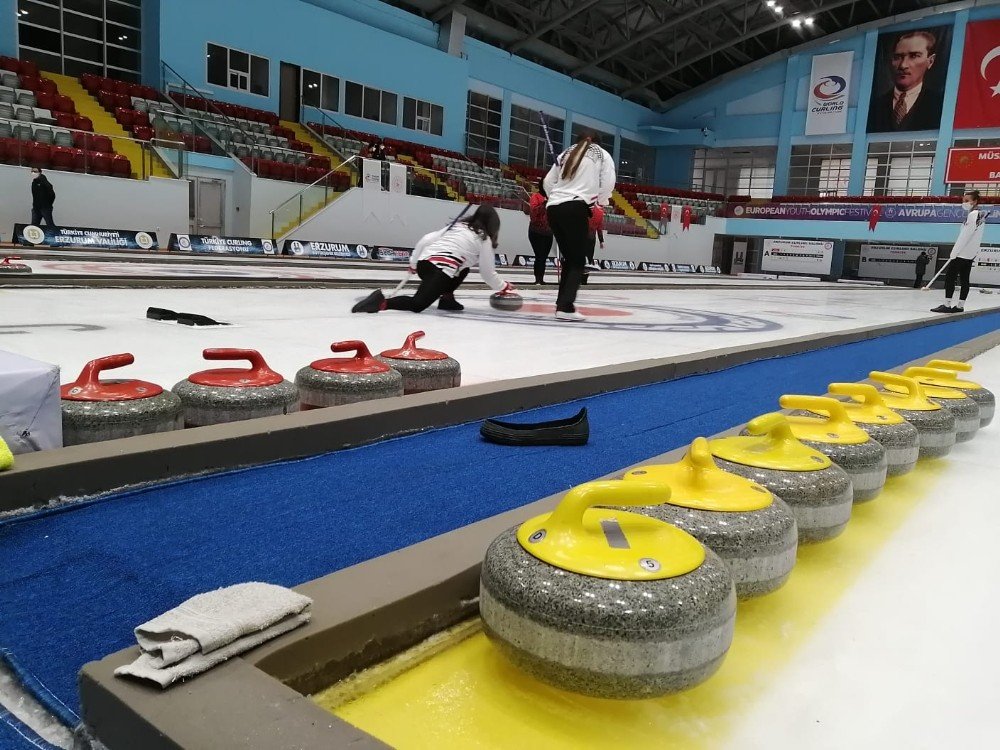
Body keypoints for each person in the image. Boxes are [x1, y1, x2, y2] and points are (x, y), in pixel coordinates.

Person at [351, 205, 516, 314]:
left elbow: (426, 239)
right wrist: (504, 286)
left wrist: (414, 263)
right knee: (417, 305)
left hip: (424, 264)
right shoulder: (483, 238)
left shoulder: (458, 226)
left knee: (463, 266)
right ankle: (382, 302)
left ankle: (447, 299)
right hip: (440, 271)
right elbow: (487, 273)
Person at [543, 134, 616, 322]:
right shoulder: (602, 154)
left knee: (570, 258)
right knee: (577, 260)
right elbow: (608, 183)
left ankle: (563, 305)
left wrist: (557, 197)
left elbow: (547, 182)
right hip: (575, 207)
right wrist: (599, 201)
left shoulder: (566, 153)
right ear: (597, 142)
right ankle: (565, 307)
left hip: (553, 208)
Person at [867, 30, 945, 133]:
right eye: (897, 57)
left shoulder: (940, 105)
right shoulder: (874, 106)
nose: (903, 65)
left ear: (930, 61)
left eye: (914, 56)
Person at [931, 191, 986, 314]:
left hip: (961, 253)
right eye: (963, 200)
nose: (964, 203)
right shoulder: (981, 216)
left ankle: (947, 304)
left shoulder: (973, 215)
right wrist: (973, 252)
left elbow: (964, 236)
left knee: (950, 278)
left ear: (975, 201)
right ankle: (960, 306)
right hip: (970, 254)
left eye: (967, 200)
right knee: (965, 279)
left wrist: (954, 252)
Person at [527, 180, 553, 285]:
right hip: (536, 231)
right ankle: (538, 278)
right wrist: (544, 204)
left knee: (544, 256)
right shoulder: (535, 197)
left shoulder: (552, 198)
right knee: (540, 255)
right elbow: (533, 214)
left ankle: (541, 277)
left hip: (548, 232)